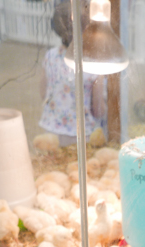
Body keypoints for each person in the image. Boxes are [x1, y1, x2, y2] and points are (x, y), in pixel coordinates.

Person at [39, 1, 105, 147]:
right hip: (83, 135)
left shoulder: (50, 56)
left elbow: (43, 93)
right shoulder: (93, 63)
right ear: (88, 27)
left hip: (50, 131)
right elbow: (99, 108)